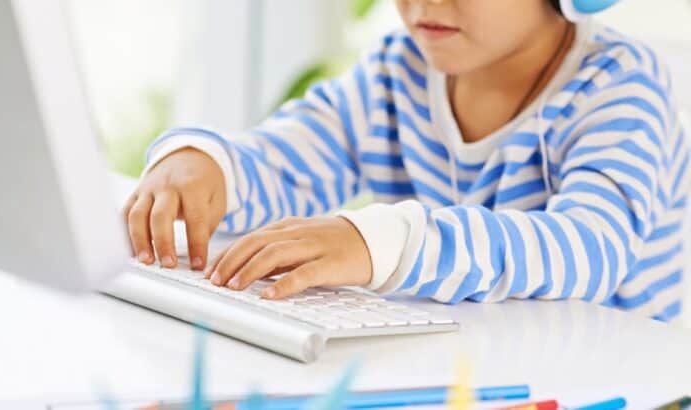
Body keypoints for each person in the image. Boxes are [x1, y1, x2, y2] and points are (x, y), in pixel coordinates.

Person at [123, 0, 690, 321]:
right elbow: (295, 155)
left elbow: (593, 248)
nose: (424, 3)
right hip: (476, 371)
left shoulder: (620, 85)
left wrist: (389, 240)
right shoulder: (399, 71)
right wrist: (207, 164)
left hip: (615, 383)